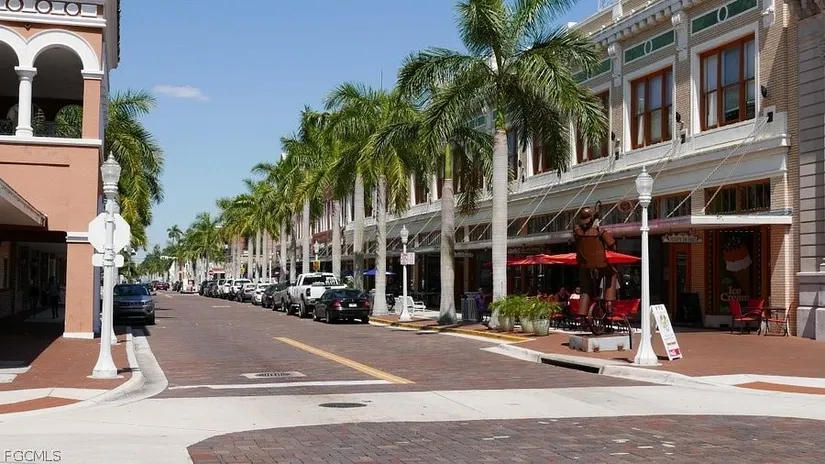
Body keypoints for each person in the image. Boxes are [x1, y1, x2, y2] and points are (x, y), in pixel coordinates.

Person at [573, 205, 618, 317]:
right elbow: (612, 246)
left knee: (585, 287)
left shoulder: (577, 232)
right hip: (600, 263)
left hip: (583, 264)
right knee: (612, 273)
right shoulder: (600, 232)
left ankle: (582, 313)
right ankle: (609, 301)